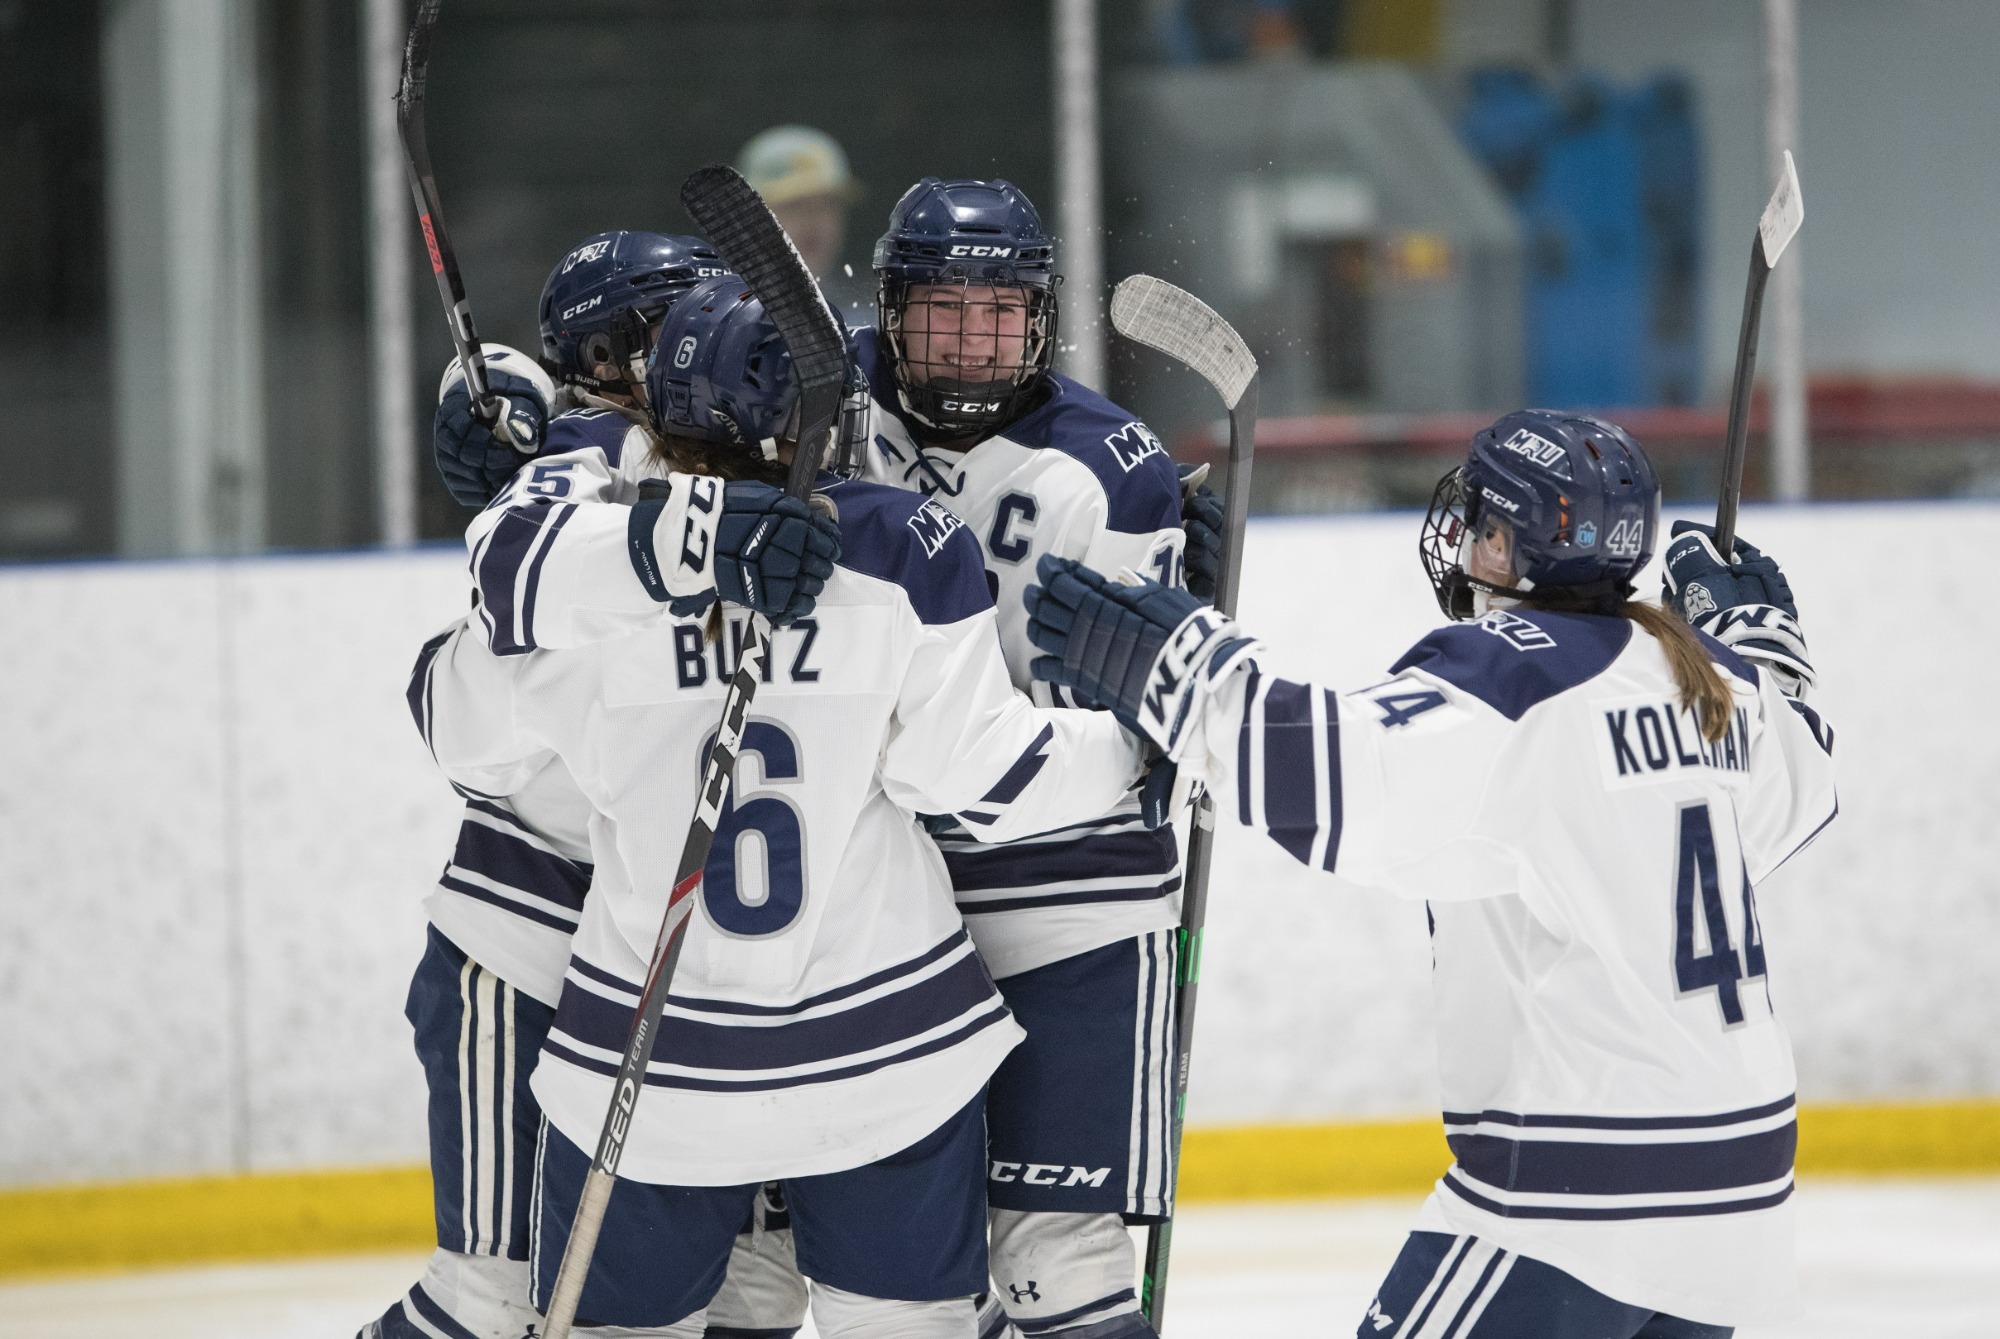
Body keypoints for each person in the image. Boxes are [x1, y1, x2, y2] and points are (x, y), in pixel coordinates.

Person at [413, 275, 1154, 1338]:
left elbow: (461, 735)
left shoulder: (586, 567)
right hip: (890, 1059)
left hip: (653, 1071)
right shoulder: (902, 544)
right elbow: (978, 776)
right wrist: (1127, 746)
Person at [1020, 410, 1839, 1338]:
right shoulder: (1713, 675)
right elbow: (1804, 767)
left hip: (1576, 1194)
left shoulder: (1512, 675)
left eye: (1485, 526)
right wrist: (1758, 634)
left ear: (1515, 550)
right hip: (1747, 1194)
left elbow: (1330, 773)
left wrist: (1178, 667)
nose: (1468, 541)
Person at [359, 241, 832, 1339]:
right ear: (619, 357)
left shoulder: (749, 457)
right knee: (492, 1300)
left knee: (747, 1290)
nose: (728, 337)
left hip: (686, 970)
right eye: (685, 320)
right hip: (523, 944)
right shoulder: (572, 476)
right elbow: (464, 711)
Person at [856, 176, 1207, 1339]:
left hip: (1067, 892)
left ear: (1040, 318)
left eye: (998, 310)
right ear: (891, 308)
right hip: (879, 892)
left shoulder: (1112, 469)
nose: (969, 340)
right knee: (901, 1266)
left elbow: (1106, 723)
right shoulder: (819, 403)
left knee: (1055, 1254)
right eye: (941, 309)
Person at [737, 126, 868, 314]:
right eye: (794, 205)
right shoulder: (707, 316)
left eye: (827, 205)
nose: (813, 221)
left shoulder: (873, 321)